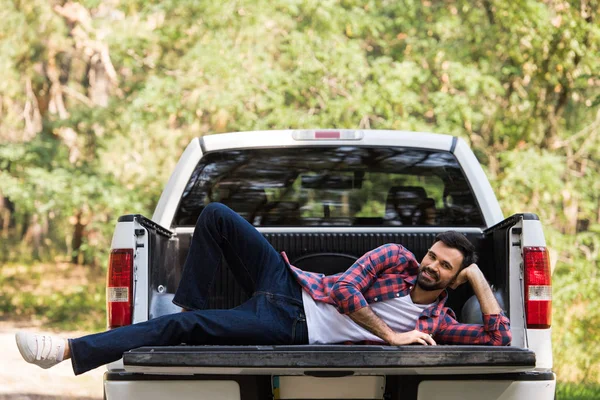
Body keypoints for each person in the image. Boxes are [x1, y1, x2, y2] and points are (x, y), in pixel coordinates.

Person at [15, 202, 511, 375]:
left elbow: (498, 339)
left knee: (183, 326)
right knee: (215, 217)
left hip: (289, 326)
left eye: (445, 267)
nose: (430, 267)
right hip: (290, 282)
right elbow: (344, 293)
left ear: (454, 277)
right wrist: (393, 337)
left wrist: (478, 279)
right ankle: (193, 320)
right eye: (432, 256)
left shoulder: (440, 323)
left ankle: (64, 350)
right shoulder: (397, 257)